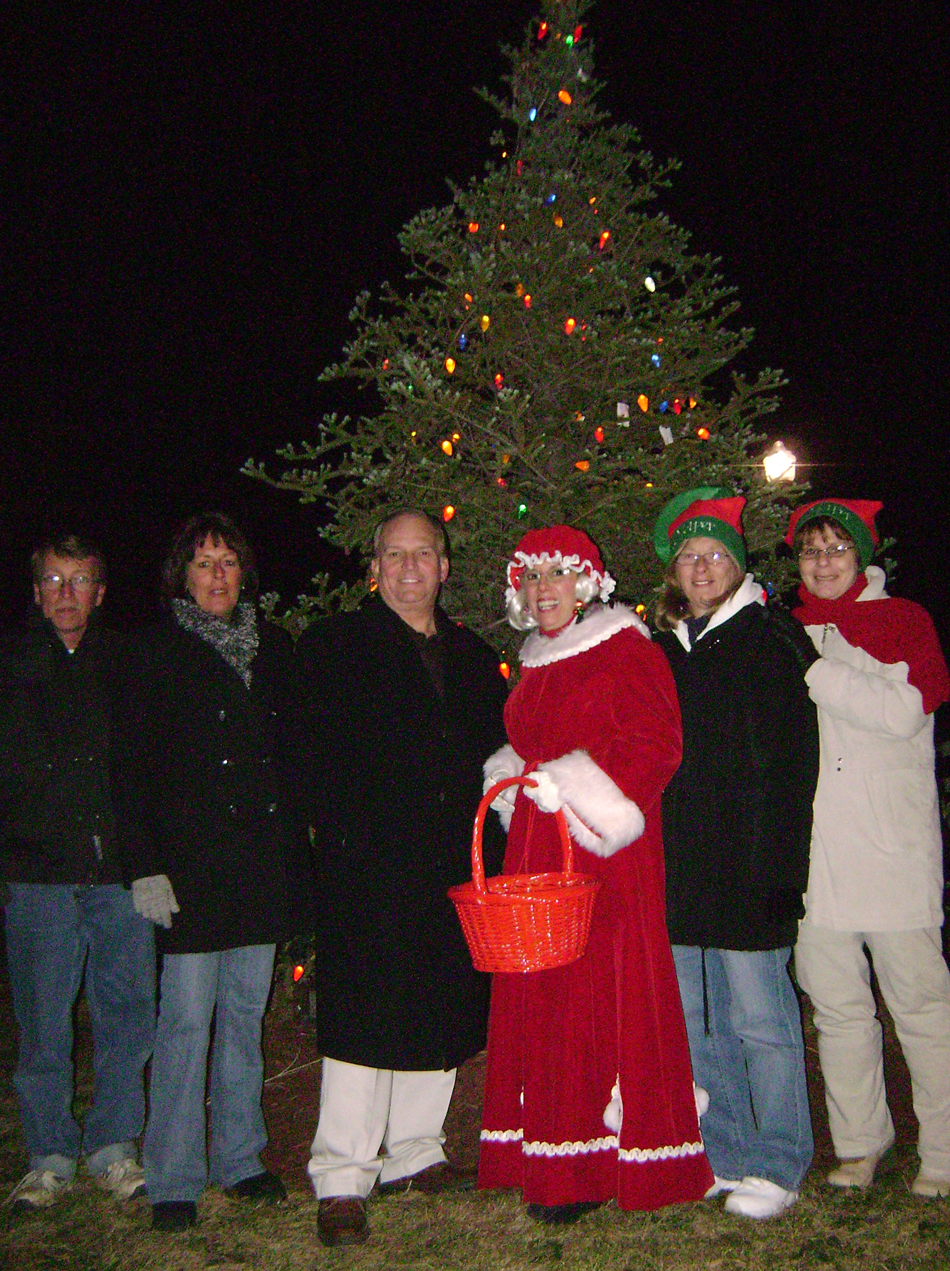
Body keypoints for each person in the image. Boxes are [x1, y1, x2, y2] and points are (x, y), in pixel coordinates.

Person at [286, 509, 509, 1248]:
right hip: (367, 865)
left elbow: (493, 760)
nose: (410, 567)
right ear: (374, 566)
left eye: (424, 554)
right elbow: (308, 757)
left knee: (437, 1004)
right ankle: (343, 1174)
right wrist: (341, 837)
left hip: (449, 865)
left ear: (444, 567)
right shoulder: (334, 646)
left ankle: (416, 1151)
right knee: (363, 1015)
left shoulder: (476, 657)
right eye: (394, 554)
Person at [478, 525, 713, 1222]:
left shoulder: (624, 648)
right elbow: (536, 740)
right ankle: (553, 1155)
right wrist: (514, 776)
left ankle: (592, 1165)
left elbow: (657, 746)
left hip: (604, 855)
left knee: (594, 995)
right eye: (531, 578)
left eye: (556, 575)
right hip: (541, 847)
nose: (542, 590)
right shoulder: (537, 659)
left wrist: (573, 790)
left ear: (585, 584)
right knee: (547, 996)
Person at [114, 513, 301, 1232]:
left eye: (227, 562)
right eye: (203, 563)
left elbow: (288, 757)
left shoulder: (271, 647)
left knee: (244, 1017)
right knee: (187, 1021)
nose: (217, 575)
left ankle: (241, 1157)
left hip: (257, 868)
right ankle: (174, 1173)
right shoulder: (154, 653)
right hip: (187, 871)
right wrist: (145, 866)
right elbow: (127, 767)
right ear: (182, 576)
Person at [786, 498, 950, 1198]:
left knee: (920, 1004)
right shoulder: (791, 630)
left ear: (861, 556)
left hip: (891, 848)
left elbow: (901, 711)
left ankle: (945, 1152)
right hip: (815, 858)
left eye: (837, 547)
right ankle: (862, 1141)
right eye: (812, 550)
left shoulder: (902, 622)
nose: (825, 561)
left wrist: (817, 669)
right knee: (837, 1009)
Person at [653, 490, 819, 1220]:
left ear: (737, 565)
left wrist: (779, 867)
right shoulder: (665, 649)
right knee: (699, 1025)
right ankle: (725, 1153)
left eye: (716, 555)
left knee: (762, 1022)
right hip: (683, 873)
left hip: (752, 869)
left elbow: (795, 765)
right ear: (674, 571)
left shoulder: (773, 636)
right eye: (690, 556)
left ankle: (780, 1158)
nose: (702, 567)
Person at [0, 534, 154, 1210]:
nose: (67, 594)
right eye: (54, 580)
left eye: (80, 580)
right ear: (35, 592)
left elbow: (149, 760)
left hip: (117, 874)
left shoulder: (123, 662)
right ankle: (50, 1152)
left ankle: (114, 1145)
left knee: (127, 1014)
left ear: (100, 590)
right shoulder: (9, 664)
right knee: (43, 1023)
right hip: (37, 874)